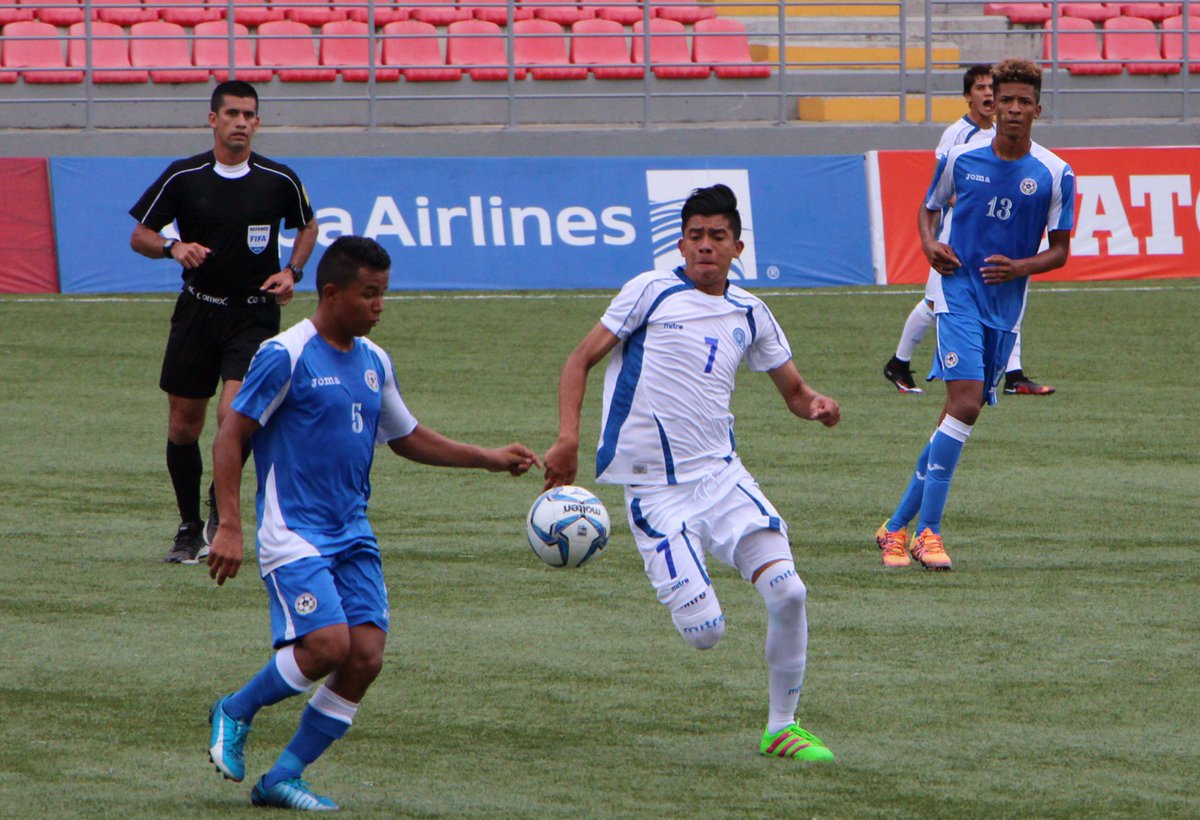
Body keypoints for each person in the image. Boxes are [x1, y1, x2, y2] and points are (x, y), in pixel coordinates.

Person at [204, 235, 541, 810]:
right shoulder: (284, 353)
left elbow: (406, 437)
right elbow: (232, 436)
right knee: (328, 645)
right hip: (296, 532)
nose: (380, 306)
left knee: (365, 658)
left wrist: (487, 457)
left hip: (352, 532)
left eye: (383, 294)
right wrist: (229, 525)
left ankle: (283, 776)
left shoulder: (374, 361)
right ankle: (236, 708)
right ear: (332, 293)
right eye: (370, 295)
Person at [543, 184, 840, 763]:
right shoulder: (648, 292)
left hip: (722, 479)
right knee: (706, 635)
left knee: (789, 592)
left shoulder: (751, 312)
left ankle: (782, 726)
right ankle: (688, 590)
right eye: (695, 236)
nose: (705, 246)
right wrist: (567, 438)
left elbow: (796, 393)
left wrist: (817, 407)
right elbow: (579, 360)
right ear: (680, 242)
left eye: (717, 237)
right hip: (655, 491)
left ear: (737, 247)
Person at [875, 58, 1074, 570]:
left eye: (1022, 101)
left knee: (955, 418)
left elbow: (1059, 251)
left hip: (1004, 309)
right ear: (994, 103)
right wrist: (927, 244)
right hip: (956, 291)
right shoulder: (962, 156)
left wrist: (1020, 267)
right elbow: (929, 206)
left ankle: (895, 526)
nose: (1011, 108)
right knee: (962, 405)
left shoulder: (1055, 173)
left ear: (1037, 108)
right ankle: (929, 534)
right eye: (1004, 99)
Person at [129, 80, 319, 565]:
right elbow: (141, 235)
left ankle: (222, 508)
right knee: (183, 425)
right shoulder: (184, 176)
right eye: (231, 113)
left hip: (254, 316)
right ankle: (189, 526)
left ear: (258, 123)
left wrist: (292, 270)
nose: (240, 122)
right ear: (212, 119)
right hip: (197, 311)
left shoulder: (279, 180)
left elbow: (308, 225)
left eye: (249, 115)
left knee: (233, 417)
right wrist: (174, 247)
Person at [882, 64, 1056, 397]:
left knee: (1004, 291)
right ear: (967, 97)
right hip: (956, 239)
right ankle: (899, 362)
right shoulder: (958, 135)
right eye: (980, 88)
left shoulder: (1000, 135)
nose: (988, 94)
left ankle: (1013, 373)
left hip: (995, 237)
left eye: (992, 88)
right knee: (935, 305)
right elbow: (941, 190)